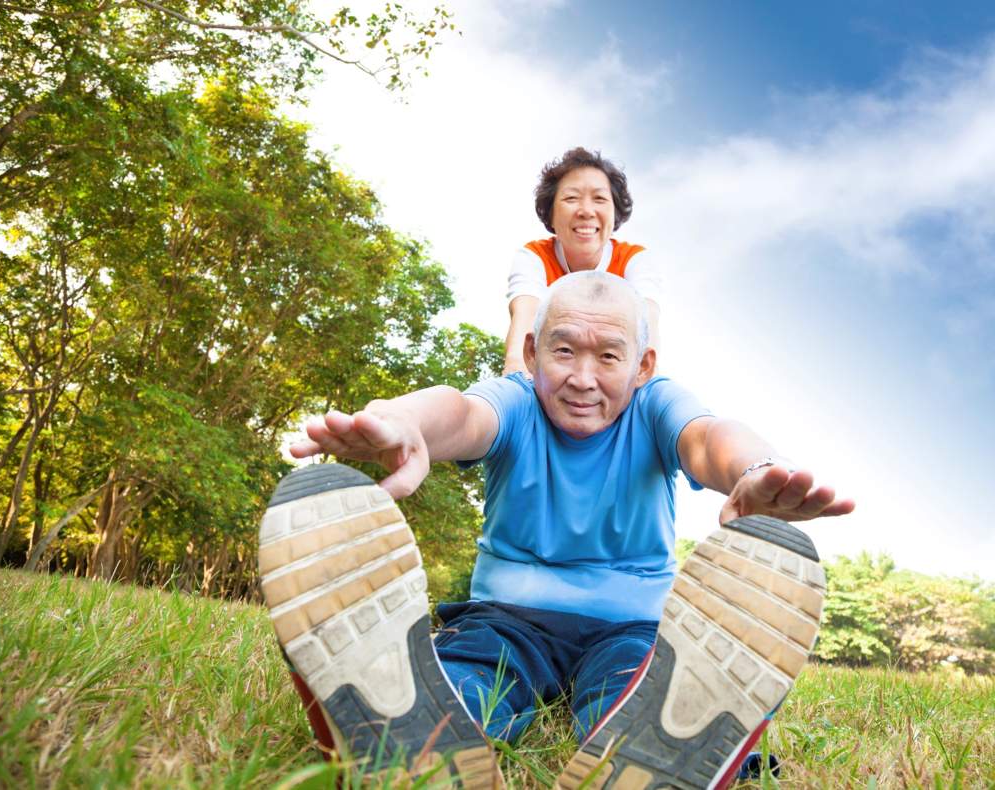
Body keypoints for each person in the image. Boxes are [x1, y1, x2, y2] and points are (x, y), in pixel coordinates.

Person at [259, 272, 854, 787]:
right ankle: (402, 729)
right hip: (504, 619)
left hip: (632, 627)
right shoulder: (517, 402)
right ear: (532, 349)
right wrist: (402, 421)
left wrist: (753, 471)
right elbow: (463, 412)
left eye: (609, 357)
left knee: (632, 696)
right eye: (564, 352)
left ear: (643, 365)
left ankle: (686, 751)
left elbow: (705, 438)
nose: (582, 378)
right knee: (469, 677)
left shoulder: (656, 405)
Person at [503, 147, 662, 375]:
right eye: (571, 198)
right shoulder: (534, 257)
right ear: (551, 213)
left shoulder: (633, 260)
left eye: (599, 199)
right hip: (551, 379)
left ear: (615, 212)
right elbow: (524, 321)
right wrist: (517, 383)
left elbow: (647, 328)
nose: (586, 211)